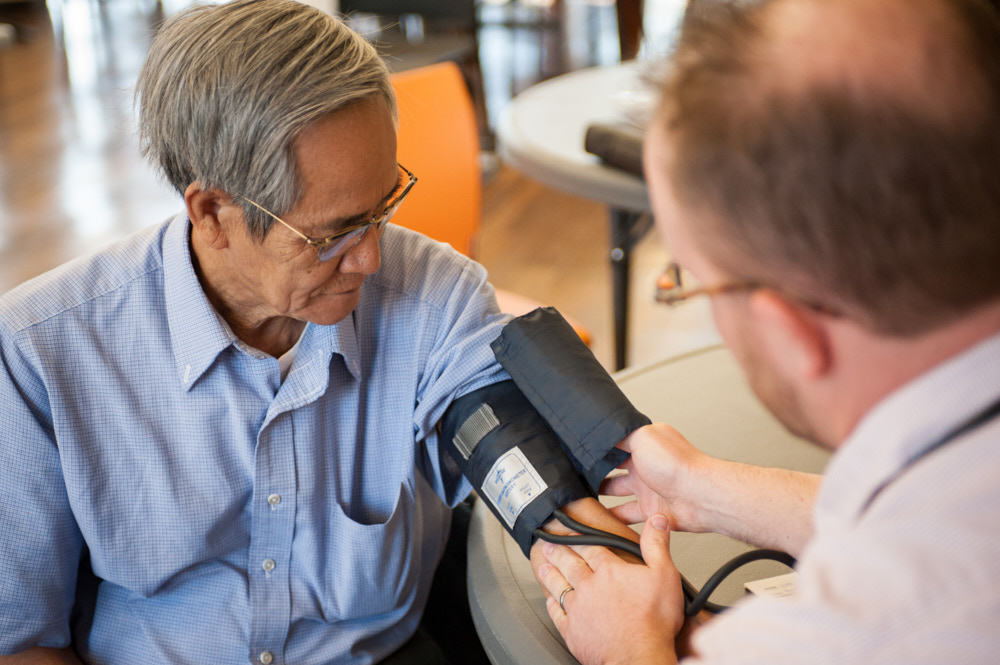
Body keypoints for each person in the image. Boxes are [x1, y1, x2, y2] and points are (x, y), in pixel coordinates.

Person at [0, 2, 637, 663]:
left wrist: (601, 550)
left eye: (384, 207)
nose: (370, 259)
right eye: (333, 234)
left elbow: (536, 475)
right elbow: (21, 640)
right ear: (213, 212)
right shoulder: (39, 354)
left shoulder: (435, 297)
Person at [533, 0, 1000, 662]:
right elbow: (942, 517)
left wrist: (628, 647)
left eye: (689, 277)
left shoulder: (847, 637)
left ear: (788, 331)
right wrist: (702, 486)